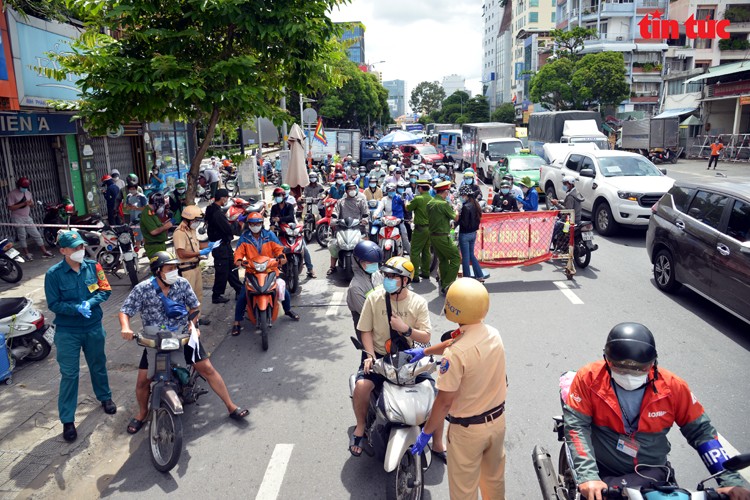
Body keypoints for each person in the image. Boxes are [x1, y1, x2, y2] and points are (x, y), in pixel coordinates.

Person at [564, 323, 750, 499]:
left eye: (639, 369)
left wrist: (731, 482)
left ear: (653, 362)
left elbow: (701, 433)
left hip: (652, 472)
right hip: (602, 471)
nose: (629, 375)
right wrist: (588, 476)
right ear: (607, 360)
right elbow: (577, 427)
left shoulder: (674, 387)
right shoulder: (588, 378)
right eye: (620, 368)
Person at [119, 251, 249, 434]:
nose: (174, 271)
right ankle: (142, 413)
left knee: (208, 369)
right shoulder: (142, 288)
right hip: (155, 340)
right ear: (158, 271)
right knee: (142, 381)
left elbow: (194, 307)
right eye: (170, 268)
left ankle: (230, 405)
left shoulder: (181, 283)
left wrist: (193, 324)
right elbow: (125, 310)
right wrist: (125, 327)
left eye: (175, 268)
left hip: (182, 335)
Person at [409, 278, 507, 499]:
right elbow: (455, 342)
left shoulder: (455, 356)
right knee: (494, 482)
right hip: (497, 423)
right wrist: (425, 352)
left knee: (464, 490)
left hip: (468, 431)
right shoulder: (493, 333)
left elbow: (444, 402)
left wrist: (426, 434)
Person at [351, 257, 445, 458]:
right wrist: (368, 355)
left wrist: (406, 329)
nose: (388, 279)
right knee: (361, 387)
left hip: (408, 359)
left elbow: (426, 336)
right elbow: (365, 330)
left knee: (436, 396)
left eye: (394, 276)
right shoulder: (374, 298)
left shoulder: (418, 303)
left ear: (406, 281)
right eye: (387, 275)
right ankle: (360, 427)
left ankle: (438, 443)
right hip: (379, 357)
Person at [45, 230, 116, 442]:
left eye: (81, 246)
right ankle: (67, 420)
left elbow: (105, 290)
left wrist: (90, 303)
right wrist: (76, 308)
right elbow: (53, 304)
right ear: (63, 251)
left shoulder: (93, 266)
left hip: (93, 326)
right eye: (74, 248)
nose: (80, 250)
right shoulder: (53, 274)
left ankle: (105, 397)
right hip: (68, 332)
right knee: (69, 374)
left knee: (98, 364)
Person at [231, 213, 299, 335]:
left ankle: (287, 310)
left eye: (258, 223)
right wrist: (239, 260)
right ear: (249, 225)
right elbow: (238, 252)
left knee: (282, 290)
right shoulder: (245, 237)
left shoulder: (269, 235)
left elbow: (279, 248)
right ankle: (237, 322)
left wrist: (281, 256)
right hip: (252, 271)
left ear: (262, 224)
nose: (255, 226)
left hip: (270, 269)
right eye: (252, 224)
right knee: (242, 296)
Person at [173, 205, 217, 326]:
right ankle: (188, 321)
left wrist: (210, 245)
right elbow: (181, 252)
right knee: (187, 297)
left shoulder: (190, 230)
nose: (197, 223)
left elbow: (196, 244)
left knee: (198, 295)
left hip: (196, 267)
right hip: (186, 269)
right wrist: (199, 253)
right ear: (188, 219)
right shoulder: (179, 233)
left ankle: (196, 318)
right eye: (196, 220)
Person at [205, 188, 242, 303]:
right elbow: (227, 229)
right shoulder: (216, 213)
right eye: (226, 198)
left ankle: (239, 289)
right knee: (222, 271)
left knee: (232, 267)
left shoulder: (213, 209)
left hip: (224, 245)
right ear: (222, 198)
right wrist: (238, 225)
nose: (227, 200)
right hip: (220, 246)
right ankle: (216, 295)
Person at [6, 177, 53, 260]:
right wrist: (23, 203)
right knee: (22, 235)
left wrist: (30, 204)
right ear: (18, 185)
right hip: (17, 217)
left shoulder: (28, 193)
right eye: (23, 187)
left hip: (27, 217)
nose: (24, 189)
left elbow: (33, 205)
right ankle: (27, 253)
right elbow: (10, 207)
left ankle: (44, 251)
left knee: (36, 234)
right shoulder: (12, 194)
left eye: (26, 187)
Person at [328, 181, 369, 275]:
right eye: (350, 189)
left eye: (354, 189)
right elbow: (335, 213)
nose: (352, 191)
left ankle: (366, 266)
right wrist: (334, 219)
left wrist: (365, 219)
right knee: (334, 246)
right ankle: (332, 266)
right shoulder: (340, 202)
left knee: (364, 247)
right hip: (342, 228)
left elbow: (366, 213)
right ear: (346, 191)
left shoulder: (360, 201)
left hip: (357, 228)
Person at [346, 241, 384, 341]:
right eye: (370, 263)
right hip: (369, 334)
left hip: (383, 327)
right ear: (358, 261)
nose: (374, 265)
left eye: (376, 263)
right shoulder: (355, 287)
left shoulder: (376, 274)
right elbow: (366, 315)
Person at [428, 181, 461, 294]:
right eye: (447, 192)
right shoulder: (443, 204)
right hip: (442, 236)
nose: (447, 194)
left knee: (443, 260)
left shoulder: (430, 202)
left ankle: (443, 282)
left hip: (433, 236)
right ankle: (447, 284)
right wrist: (456, 209)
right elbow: (455, 218)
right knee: (456, 258)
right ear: (445, 192)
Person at [456, 185, 487, 281]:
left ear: (465, 195)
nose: (461, 197)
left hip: (465, 234)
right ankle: (479, 275)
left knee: (465, 257)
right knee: (471, 255)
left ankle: (467, 278)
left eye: (462, 195)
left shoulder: (466, 207)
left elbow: (464, 223)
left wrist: (458, 216)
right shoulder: (475, 204)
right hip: (473, 233)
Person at [406, 180, 433, 283]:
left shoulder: (418, 199)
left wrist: (406, 201)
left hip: (420, 229)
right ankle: (426, 272)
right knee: (426, 251)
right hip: (429, 229)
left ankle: (415, 275)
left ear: (420, 188)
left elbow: (408, 208)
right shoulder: (431, 199)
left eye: (418, 187)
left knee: (415, 251)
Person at [374, 183, 411, 254]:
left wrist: (405, 199)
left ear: (395, 190)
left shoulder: (399, 197)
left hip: (398, 221)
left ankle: (409, 253)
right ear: (387, 191)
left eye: (393, 190)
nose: (391, 192)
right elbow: (380, 207)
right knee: (379, 233)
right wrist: (375, 214)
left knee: (404, 235)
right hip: (387, 221)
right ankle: (377, 251)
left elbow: (405, 203)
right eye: (390, 190)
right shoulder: (384, 199)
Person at [140, 192, 172, 258]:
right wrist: (166, 226)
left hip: (159, 246)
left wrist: (165, 223)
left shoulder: (152, 212)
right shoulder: (147, 214)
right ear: (157, 204)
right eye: (161, 205)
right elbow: (153, 231)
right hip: (154, 248)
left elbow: (156, 226)